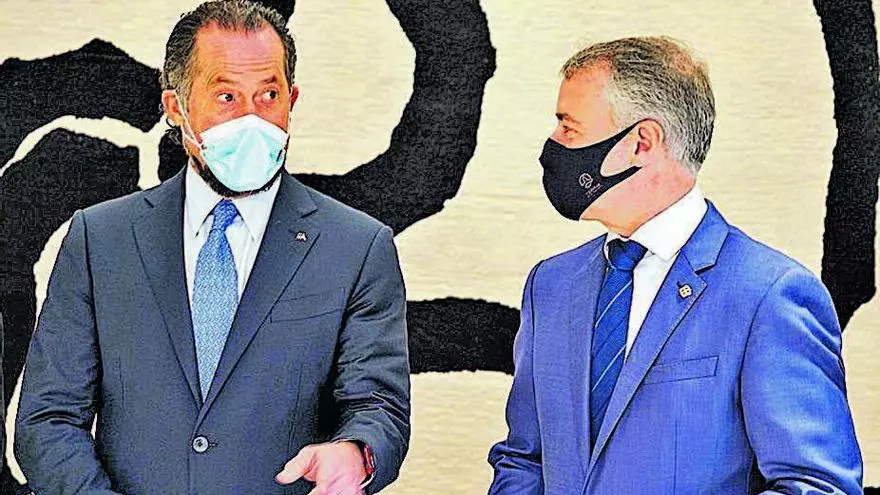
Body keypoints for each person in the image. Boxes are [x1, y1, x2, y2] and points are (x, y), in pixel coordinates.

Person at [14, 1, 410, 494]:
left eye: (269, 95)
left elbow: (379, 407)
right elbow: (48, 420)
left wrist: (354, 452)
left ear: (292, 99)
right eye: (226, 96)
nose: (252, 118)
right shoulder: (99, 240)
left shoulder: (357, 247)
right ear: (175, 107)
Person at [488, 36, 863, 494]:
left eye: (569, 126)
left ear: (641, 142)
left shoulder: (769, 294)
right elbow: (525, 459)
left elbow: (817, 485)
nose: (552, 145)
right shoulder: (551, 284)